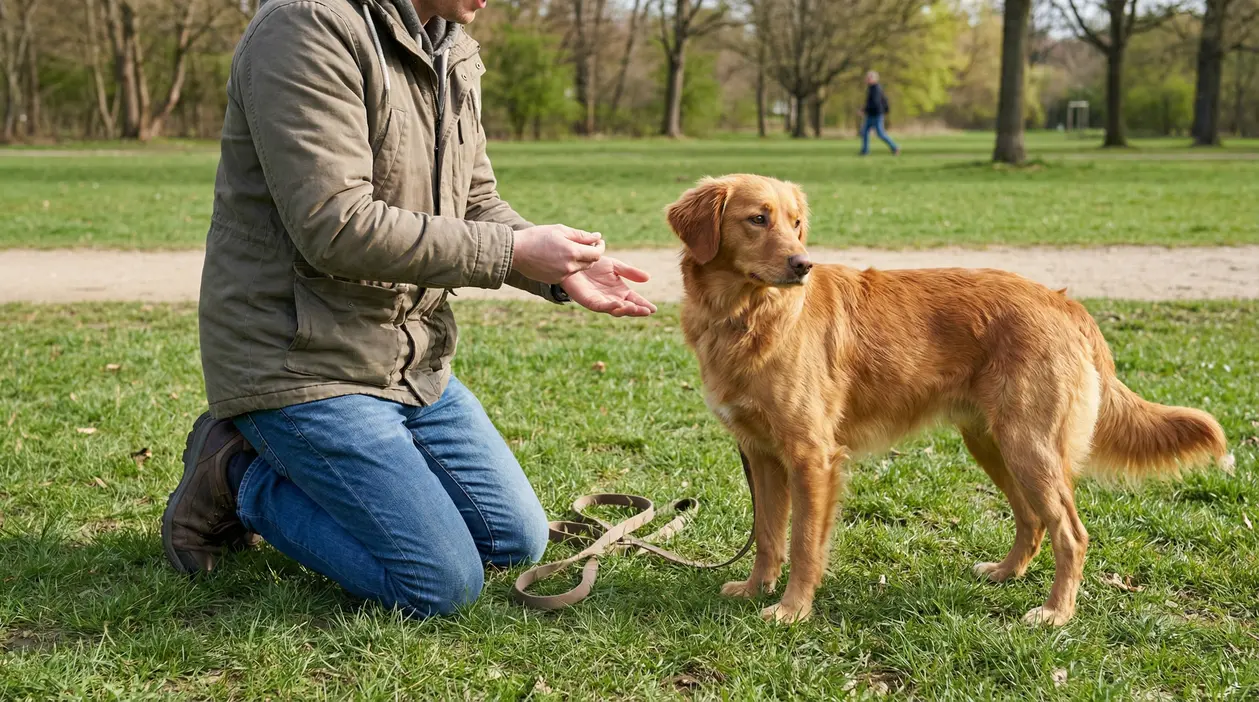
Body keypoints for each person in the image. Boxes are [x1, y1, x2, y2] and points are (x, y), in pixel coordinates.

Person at [160, 0, 656, 619]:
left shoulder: (451, 44)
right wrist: (513, 251)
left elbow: (475, 200)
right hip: (298, 361)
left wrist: (562, 270)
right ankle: (236, 476)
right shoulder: (306, 27)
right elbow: (335, 226)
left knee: (515, 541)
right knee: (438, 585)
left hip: (411, 360)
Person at [859, 71, 900, 156]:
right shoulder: (871, 88)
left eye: (869, 78)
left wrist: (864, 110)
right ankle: (865, 151)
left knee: (880, 134)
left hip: (877, 115)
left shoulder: (876, 88)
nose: (867, 79)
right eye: (867, 77)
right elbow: (873, 102)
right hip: (871, 114)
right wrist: (864, 109)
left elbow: (875, 103)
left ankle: (895, 147)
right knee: (864, 132)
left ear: (874, 79)